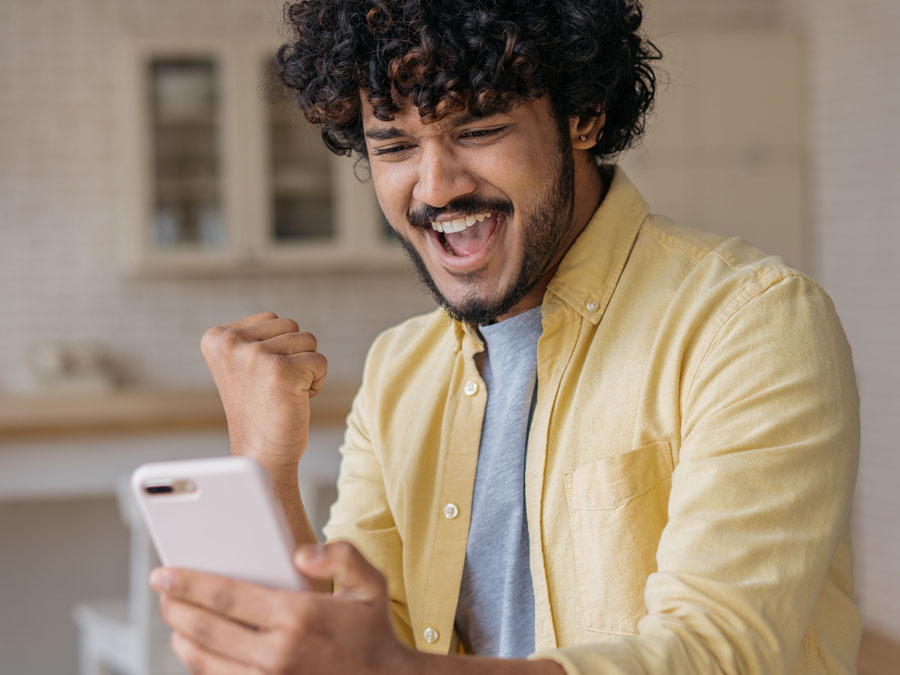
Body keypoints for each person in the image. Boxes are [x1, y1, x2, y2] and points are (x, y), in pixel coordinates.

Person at [150, 1, 862, 673]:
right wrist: (264, 467)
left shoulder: (750, 322)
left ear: (584, 114)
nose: (435, 188)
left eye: (478, 129)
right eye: (395, 145)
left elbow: (718, 654)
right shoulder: (399, 368)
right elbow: (357, 640)